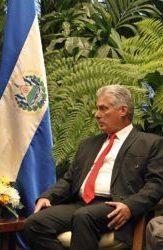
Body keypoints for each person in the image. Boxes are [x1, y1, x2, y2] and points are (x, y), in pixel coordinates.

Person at [23, 85, 163, 250]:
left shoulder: (150, 143)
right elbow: (69, 180)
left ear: (123, 110)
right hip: (81, 204)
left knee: (83, 217)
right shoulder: (88, 144)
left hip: (115, 206)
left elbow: (156, 184)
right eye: (97, 109)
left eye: (103, 109)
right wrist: (48, 197)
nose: (97, 115)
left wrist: (130, 207)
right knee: (34, 223)